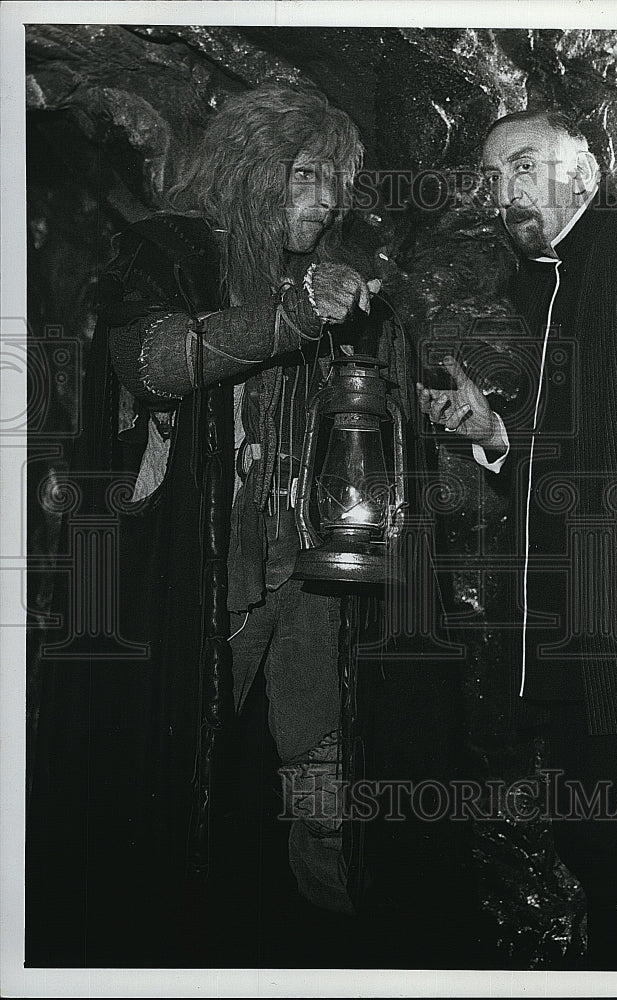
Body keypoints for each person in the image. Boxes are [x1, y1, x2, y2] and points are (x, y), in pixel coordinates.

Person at [27, 81, 417, 966]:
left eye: (336, 181)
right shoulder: (164, 251)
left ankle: (338, 964)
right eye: (305, 175)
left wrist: (444, 412)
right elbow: (152, 359)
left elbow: (377, 420)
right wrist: (289, 314)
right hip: (200, 580)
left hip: (312, 588)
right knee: (173, 796)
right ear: (248, 169)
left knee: (324, 797)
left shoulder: (330, 279)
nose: (326, 201)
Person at [417, 109, 617, 970]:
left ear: (587, 172)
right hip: (572, 620)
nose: (506, 192)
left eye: (524, 165)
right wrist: (493, 434)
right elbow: (580, 458)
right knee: (592, 839)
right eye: (493, 179)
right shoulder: (548, 282)